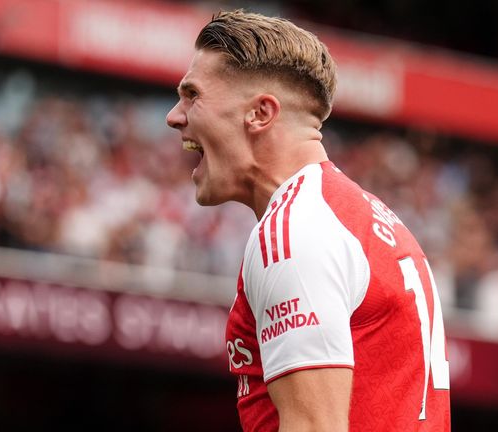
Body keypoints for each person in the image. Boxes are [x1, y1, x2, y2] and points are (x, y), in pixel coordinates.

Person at [166, 10, 451, 431]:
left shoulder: (295, 232)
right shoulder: (363, 216)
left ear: (261, 114)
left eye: (193, 95)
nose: (175, 115)